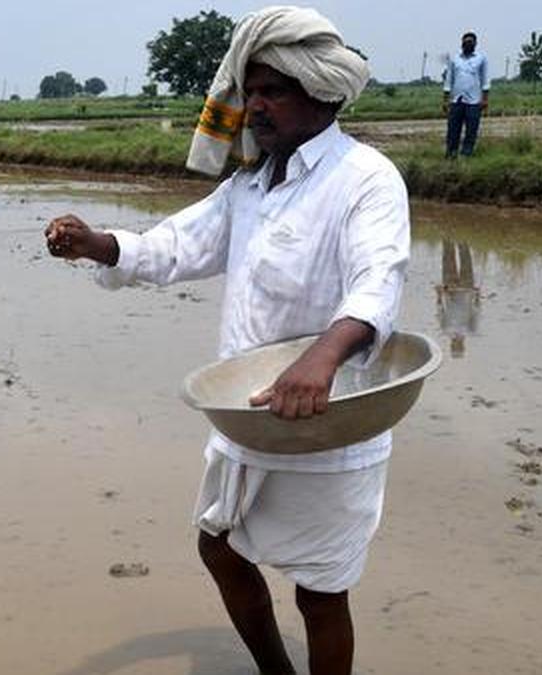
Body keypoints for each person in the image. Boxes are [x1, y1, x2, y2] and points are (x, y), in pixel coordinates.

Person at [44, 7, 408, 675]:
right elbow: (179, 244)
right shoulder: (250, 183)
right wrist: (97, 245)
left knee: (322, 593)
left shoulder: (365, 179)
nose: (257, 106)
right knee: (220, 547)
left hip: (325, 421)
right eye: (253, 91)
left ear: (321, 93)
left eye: (275, 91)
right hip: (247, 416)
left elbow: (377, 281)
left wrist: (321, 358)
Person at [443, 31, 490, 158]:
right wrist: (445, 99)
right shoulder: (455, 59)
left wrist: (485, 99)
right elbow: (449, 80)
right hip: (456, 100)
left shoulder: (481, 59)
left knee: (471, 130)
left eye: (470, 42)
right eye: (465, 42)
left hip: (474, 101)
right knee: (453, 130)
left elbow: (485, 80)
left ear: (475, 44)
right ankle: (451, 154)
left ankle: (466, 154)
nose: (468, 44)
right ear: (461, 43)